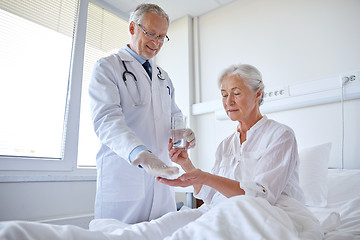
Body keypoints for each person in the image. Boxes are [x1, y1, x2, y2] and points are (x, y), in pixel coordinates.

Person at [88, 63, 322, 239]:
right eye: (223, 94)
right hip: (219, 210)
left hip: (269, 215)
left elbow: (261, 196)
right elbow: (209, 195)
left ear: (258, 94)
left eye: (236, 93)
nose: (228, 101)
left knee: (189, 232)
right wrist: (187, 165)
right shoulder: (226, 144)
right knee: (163, 226)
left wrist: (205, 177)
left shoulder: (280, 135)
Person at [89, 3, 195, 224]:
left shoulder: (163, 76)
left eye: (162, 37)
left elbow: (173, 115)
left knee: (163, 231)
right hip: (125, 179)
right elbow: (107, 120)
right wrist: (141, 154)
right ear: (131, 28)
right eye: (150, 33)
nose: (156, 43)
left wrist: (182, 137)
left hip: (161, 180)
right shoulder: (107, 67)